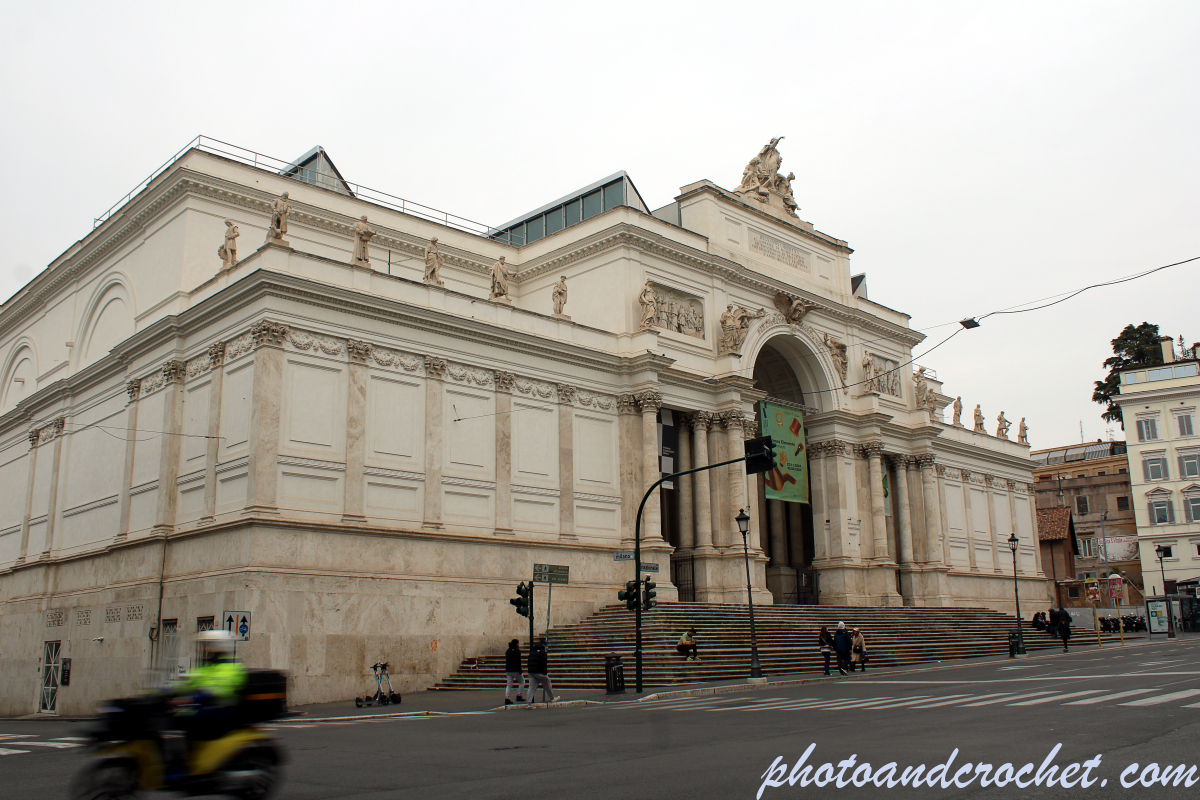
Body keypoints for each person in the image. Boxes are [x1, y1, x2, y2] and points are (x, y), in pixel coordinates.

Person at [169, 630, 248, 781]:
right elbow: (188, 683)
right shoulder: (206, 668)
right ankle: (183, 761)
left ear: (219, 647)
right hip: (206, 711)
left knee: (183, 721)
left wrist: (193, 698)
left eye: (209, 646)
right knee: (173, 719)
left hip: (221, 714)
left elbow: (219, 690)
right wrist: (166, 692)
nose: (206, 649)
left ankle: (186, 765)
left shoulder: (232, 669)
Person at [526, 636, 559, 704]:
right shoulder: (543, 652)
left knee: (531, 687)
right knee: (547, 683)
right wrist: (545, 672)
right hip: (539, 671)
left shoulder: (532, 651)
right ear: (544, 645)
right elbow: (543, 662)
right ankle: (552, 698)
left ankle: (529, 703)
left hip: (531, 672)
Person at [503, 639, 525, 705]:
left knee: (509, 685)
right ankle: (519, 695)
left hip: (508, 670)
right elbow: (518, 661)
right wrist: (520, 670)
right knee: (522, 682)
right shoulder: (517, 651)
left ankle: (507, 698)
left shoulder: (508, 651)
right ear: (516, 644)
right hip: (515, 670)